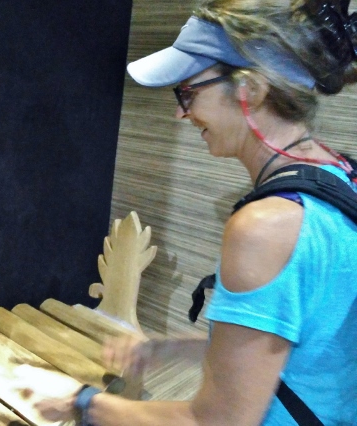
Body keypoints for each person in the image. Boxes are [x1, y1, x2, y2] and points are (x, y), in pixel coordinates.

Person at [34, 0, 357, 424]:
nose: (180, 113)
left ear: (251, 90)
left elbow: (213, 421)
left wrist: (81, 401)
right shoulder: (340, 174)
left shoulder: (265, 227)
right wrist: (168, 348)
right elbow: (297, 346)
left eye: (188, 93)